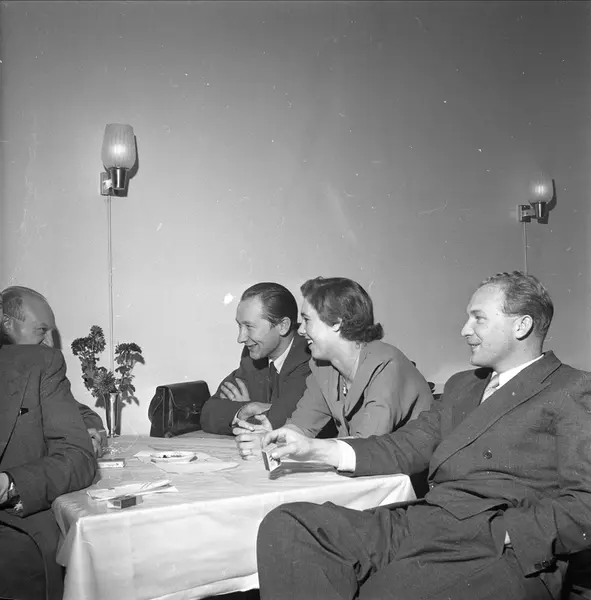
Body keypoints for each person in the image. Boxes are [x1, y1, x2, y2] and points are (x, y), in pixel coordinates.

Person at [256, 271, 591, 600]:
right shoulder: (463, 386)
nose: (464, 330)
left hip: (498, 549)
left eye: (478, 319)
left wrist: (505, 533)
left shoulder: (571, 388)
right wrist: (316, 449)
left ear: (522, 325)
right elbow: (405, 445)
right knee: (289, 527)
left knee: (386, 591)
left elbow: (586, 503)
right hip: (429, 521)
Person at [234, 277, 432, 459]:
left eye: (307, 320)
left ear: (336, 323)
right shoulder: (324, 368)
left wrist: (307, 446)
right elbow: (302, 426)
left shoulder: (386, 366)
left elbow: (366, 449)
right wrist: (270, 438)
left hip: (409, 478)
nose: (300, 330)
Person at [0, 342, 97, 600]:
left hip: (13, 530)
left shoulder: (38, 363)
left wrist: (10, 484)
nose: (44, 339)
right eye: (40, 330)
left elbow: (77, 450)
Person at [0, 286, 106, 456]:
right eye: (41, 330)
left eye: (51, 332)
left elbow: (85, 415)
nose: (50, 343)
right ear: (7, 324)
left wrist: (81, 434)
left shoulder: (39, 373)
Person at [200, 282, 314, 435]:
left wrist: (246, 412)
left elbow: (282, 423)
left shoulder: (308, 357)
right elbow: (208, 413)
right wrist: (245, 408)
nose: (241, 338)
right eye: (240, 326)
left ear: (283, 326)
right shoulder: (254, 355)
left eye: (249, 327)